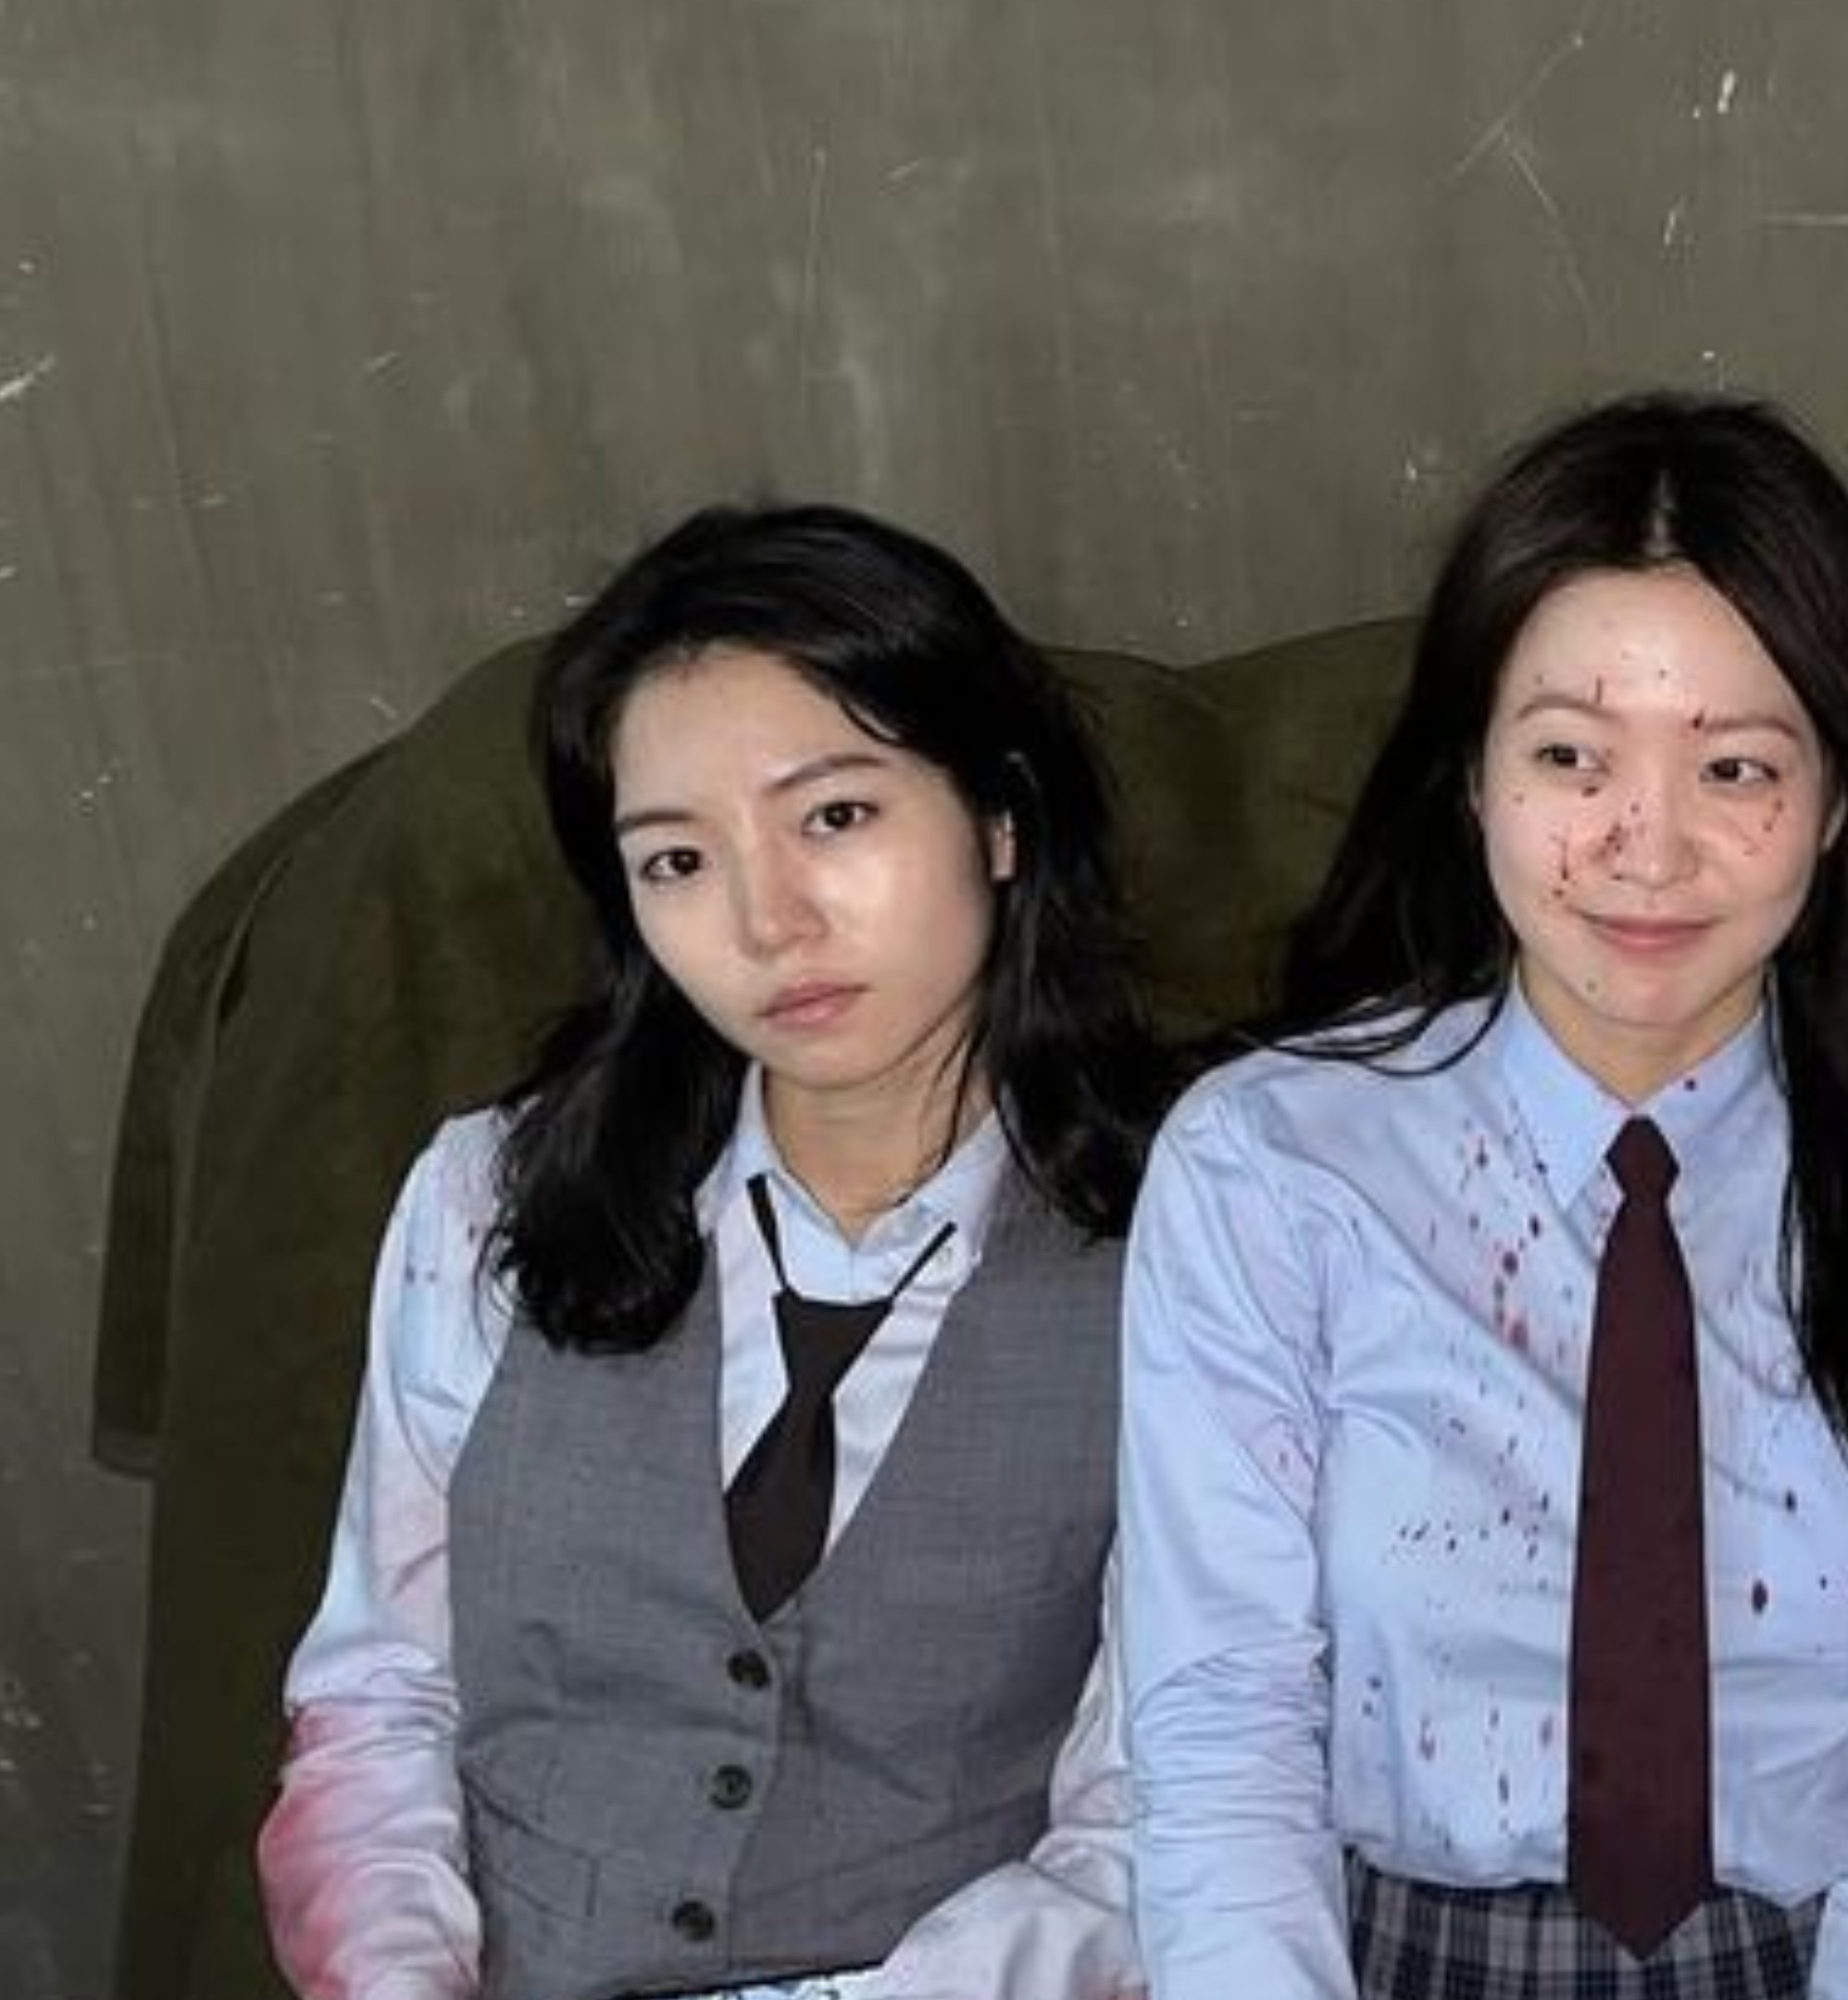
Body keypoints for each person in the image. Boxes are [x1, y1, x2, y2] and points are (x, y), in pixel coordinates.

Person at [1119, 393, 1848, 2000]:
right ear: (1473, 776)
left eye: (1735, 766)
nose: (1646, 849)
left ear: (1839, 799)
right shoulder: (1271, 1168)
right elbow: (1220, 1727)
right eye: (1571, 757)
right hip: (1365, 1959)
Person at [257, 503, 1173, 2000]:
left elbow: (1152, 1820)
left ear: (1001, 816)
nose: (768, 921)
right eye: (678, 859)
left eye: (836, 818)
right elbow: (380, 1694)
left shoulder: (1191, 1250)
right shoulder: (487, 1199)